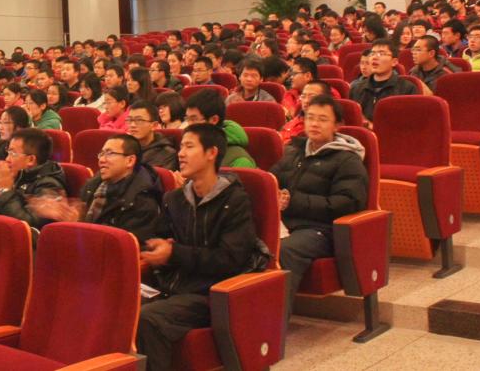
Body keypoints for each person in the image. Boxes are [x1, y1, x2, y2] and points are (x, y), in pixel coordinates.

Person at [135, 124, 261, 371]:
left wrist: (174, 253)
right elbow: (161, 239)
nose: (181, 153)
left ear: (211, 153)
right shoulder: (174, 198)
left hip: (211, 292)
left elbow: (230, 259)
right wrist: (156, 251)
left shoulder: (234, 200)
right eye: (181, 146)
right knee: (118, 305)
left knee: (148, 319)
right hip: (174, 285)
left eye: (189, 146)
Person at [272, 94, 368, 311]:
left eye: (322, 119)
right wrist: (274, 193)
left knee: (284, 251)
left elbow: (347, 203)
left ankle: (273, 324)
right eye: (310, 117)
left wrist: (293, 202)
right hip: (285, 222)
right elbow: (272, 179)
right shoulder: (294, 151)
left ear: (337, 125)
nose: (314, 124)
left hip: (321, 229)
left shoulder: (347, 160)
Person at [32, 133, 163, 243]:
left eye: (110, 153)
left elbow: (121, 247)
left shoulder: (142, 199)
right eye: (101, 154)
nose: (102, 160)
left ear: (130, 160)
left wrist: (77, 225)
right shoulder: (94, 185)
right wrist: (67, 215)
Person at [0, 128, 67, 229]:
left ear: (31, 160)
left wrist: (5, 190)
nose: (7, 159)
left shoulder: (49, 185)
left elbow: (27, 227)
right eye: (8, 152)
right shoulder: (16, 175)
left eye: (13, 154)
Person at [348, 39, 417, 125]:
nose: (374, 57)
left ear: (394, 62)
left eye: (381, 53)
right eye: (372, 53)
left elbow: (408, 123)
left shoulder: (407, 89)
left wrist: (369, 125)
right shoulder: (356, 88)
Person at [184, 89, 254, 168]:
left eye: (194, 119)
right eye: (187, 119)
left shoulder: (239, 160)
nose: (189, 125)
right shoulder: (189, 150)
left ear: (214, 120)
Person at [126, 101, 178, 170]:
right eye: (129, 120)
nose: (132, 125)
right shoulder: (123, 148)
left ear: (154, 125)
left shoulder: (167, 154)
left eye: (139, 120)